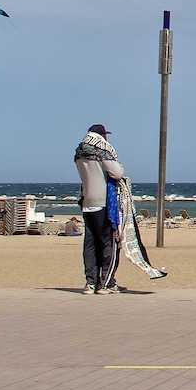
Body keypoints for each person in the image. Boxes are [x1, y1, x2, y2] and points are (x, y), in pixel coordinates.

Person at [74, 124, 125, 295]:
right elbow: (116, 172)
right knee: (107, 242)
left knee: (90, 244)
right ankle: (106, 282)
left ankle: (90, 283)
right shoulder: (101, 150)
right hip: (103, 202)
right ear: (102, 135)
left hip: (87, 202)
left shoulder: (80, 152)